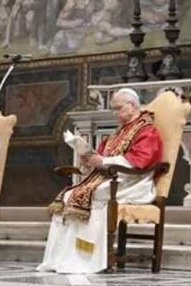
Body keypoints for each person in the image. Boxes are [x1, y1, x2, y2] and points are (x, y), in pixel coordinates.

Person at [37, 88, 163, 274]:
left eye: (118, 108)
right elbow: (101, 157)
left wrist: (103, 162)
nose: (115, 113)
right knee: (69, 195)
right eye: (114, 109)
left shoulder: (146, 130)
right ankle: (60, 257)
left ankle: (86, 258)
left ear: (132, 106)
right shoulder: (118, 132)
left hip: (134, 182)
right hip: (112, 178)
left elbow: (139, 161)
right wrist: (89, 159)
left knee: (94, 194)